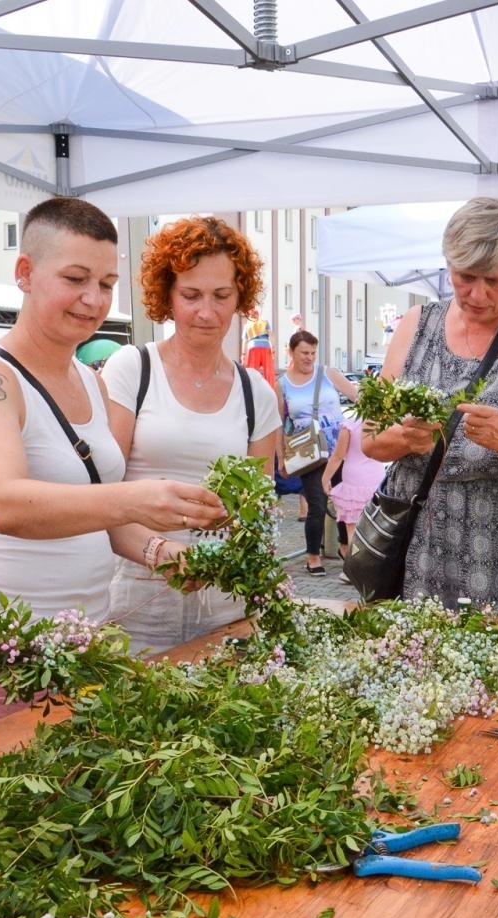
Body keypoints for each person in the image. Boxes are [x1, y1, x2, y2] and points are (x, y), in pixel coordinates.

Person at [0, 197, 223, 627]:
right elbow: (4, 504)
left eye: (107, 284)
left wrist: (162, 553)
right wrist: (134, 498)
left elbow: (94, 512)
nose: (93, 300)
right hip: (6, 646)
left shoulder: (92, 381)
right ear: (25, 274)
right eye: (75, 279)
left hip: (87, 637)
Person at [363, 197, 498, 617]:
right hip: (420, 550)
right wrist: (404, 438)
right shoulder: (415, 325)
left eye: (494, 281)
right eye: (465, 277)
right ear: (448, 264)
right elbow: (371, 440)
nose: (477, 294)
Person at [102, 215, 281, 654]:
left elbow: (256, 509)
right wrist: (161, 552)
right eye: (191, 295)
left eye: (222, 295)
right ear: (167, 295)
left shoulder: (256, 392)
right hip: (138, 591)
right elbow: (99, 498)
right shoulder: (132, 369)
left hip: (225, 598)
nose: (207, 311)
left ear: (241, 295)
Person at [275, 329, 358, 575]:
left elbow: (357, 396)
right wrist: (281, 457)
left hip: (340, 449)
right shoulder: (282, 385)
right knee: (317, 504)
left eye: (312, 352)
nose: (309, 358)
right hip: (309, 452)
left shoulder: (328, 374)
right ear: (291, 352)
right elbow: (278, 424)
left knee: (345, 501)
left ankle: (344, 547)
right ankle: (313, 556)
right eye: (304, 353)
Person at [323, 414, 388, 582]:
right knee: (375, 528)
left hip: (353, 479)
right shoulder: (383, 419)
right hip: (377, 477)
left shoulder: (350, 423)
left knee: (353, 530)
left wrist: (325, 478)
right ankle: (374, 568)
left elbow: (338, 455)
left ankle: (353, 570)